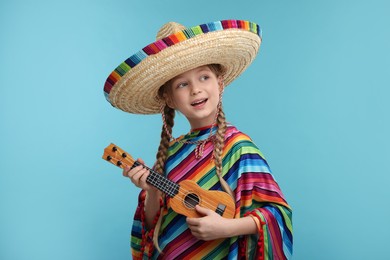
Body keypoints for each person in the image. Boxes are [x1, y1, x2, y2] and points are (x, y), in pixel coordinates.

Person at [103, 20, 293, 259]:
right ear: (170, 99)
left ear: (219, 83)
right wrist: (151, 191)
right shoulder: (171, 153)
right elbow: (152, 225)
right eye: (182, 84)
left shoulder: (239, 147)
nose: (195, 89)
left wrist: (226, 228)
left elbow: (276, 213)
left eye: (204, 77)